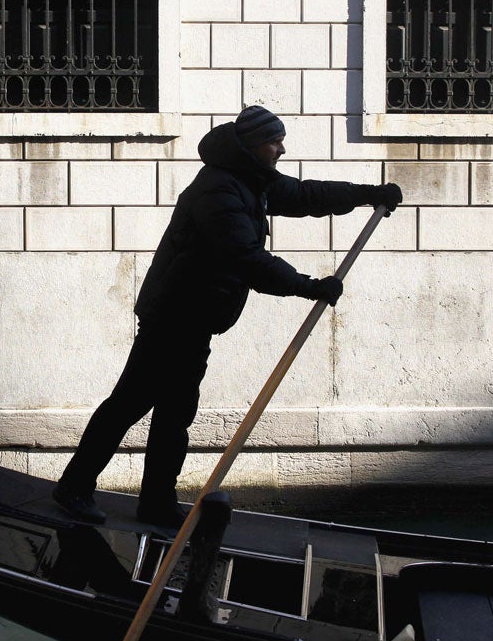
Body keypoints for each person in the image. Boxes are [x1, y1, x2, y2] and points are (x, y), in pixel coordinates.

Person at [52, 105, 403, 528]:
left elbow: (307, 196)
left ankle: (157, 502)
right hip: (172, 319)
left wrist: (369, 194)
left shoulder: (250, 180)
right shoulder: (218, 190)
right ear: (253, 145)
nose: (281, 148)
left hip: (195, 320)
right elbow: (246, 258)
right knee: (129, 405)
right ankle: (73, 488)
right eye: (274, 141)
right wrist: (309, 285)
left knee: (174, 414)